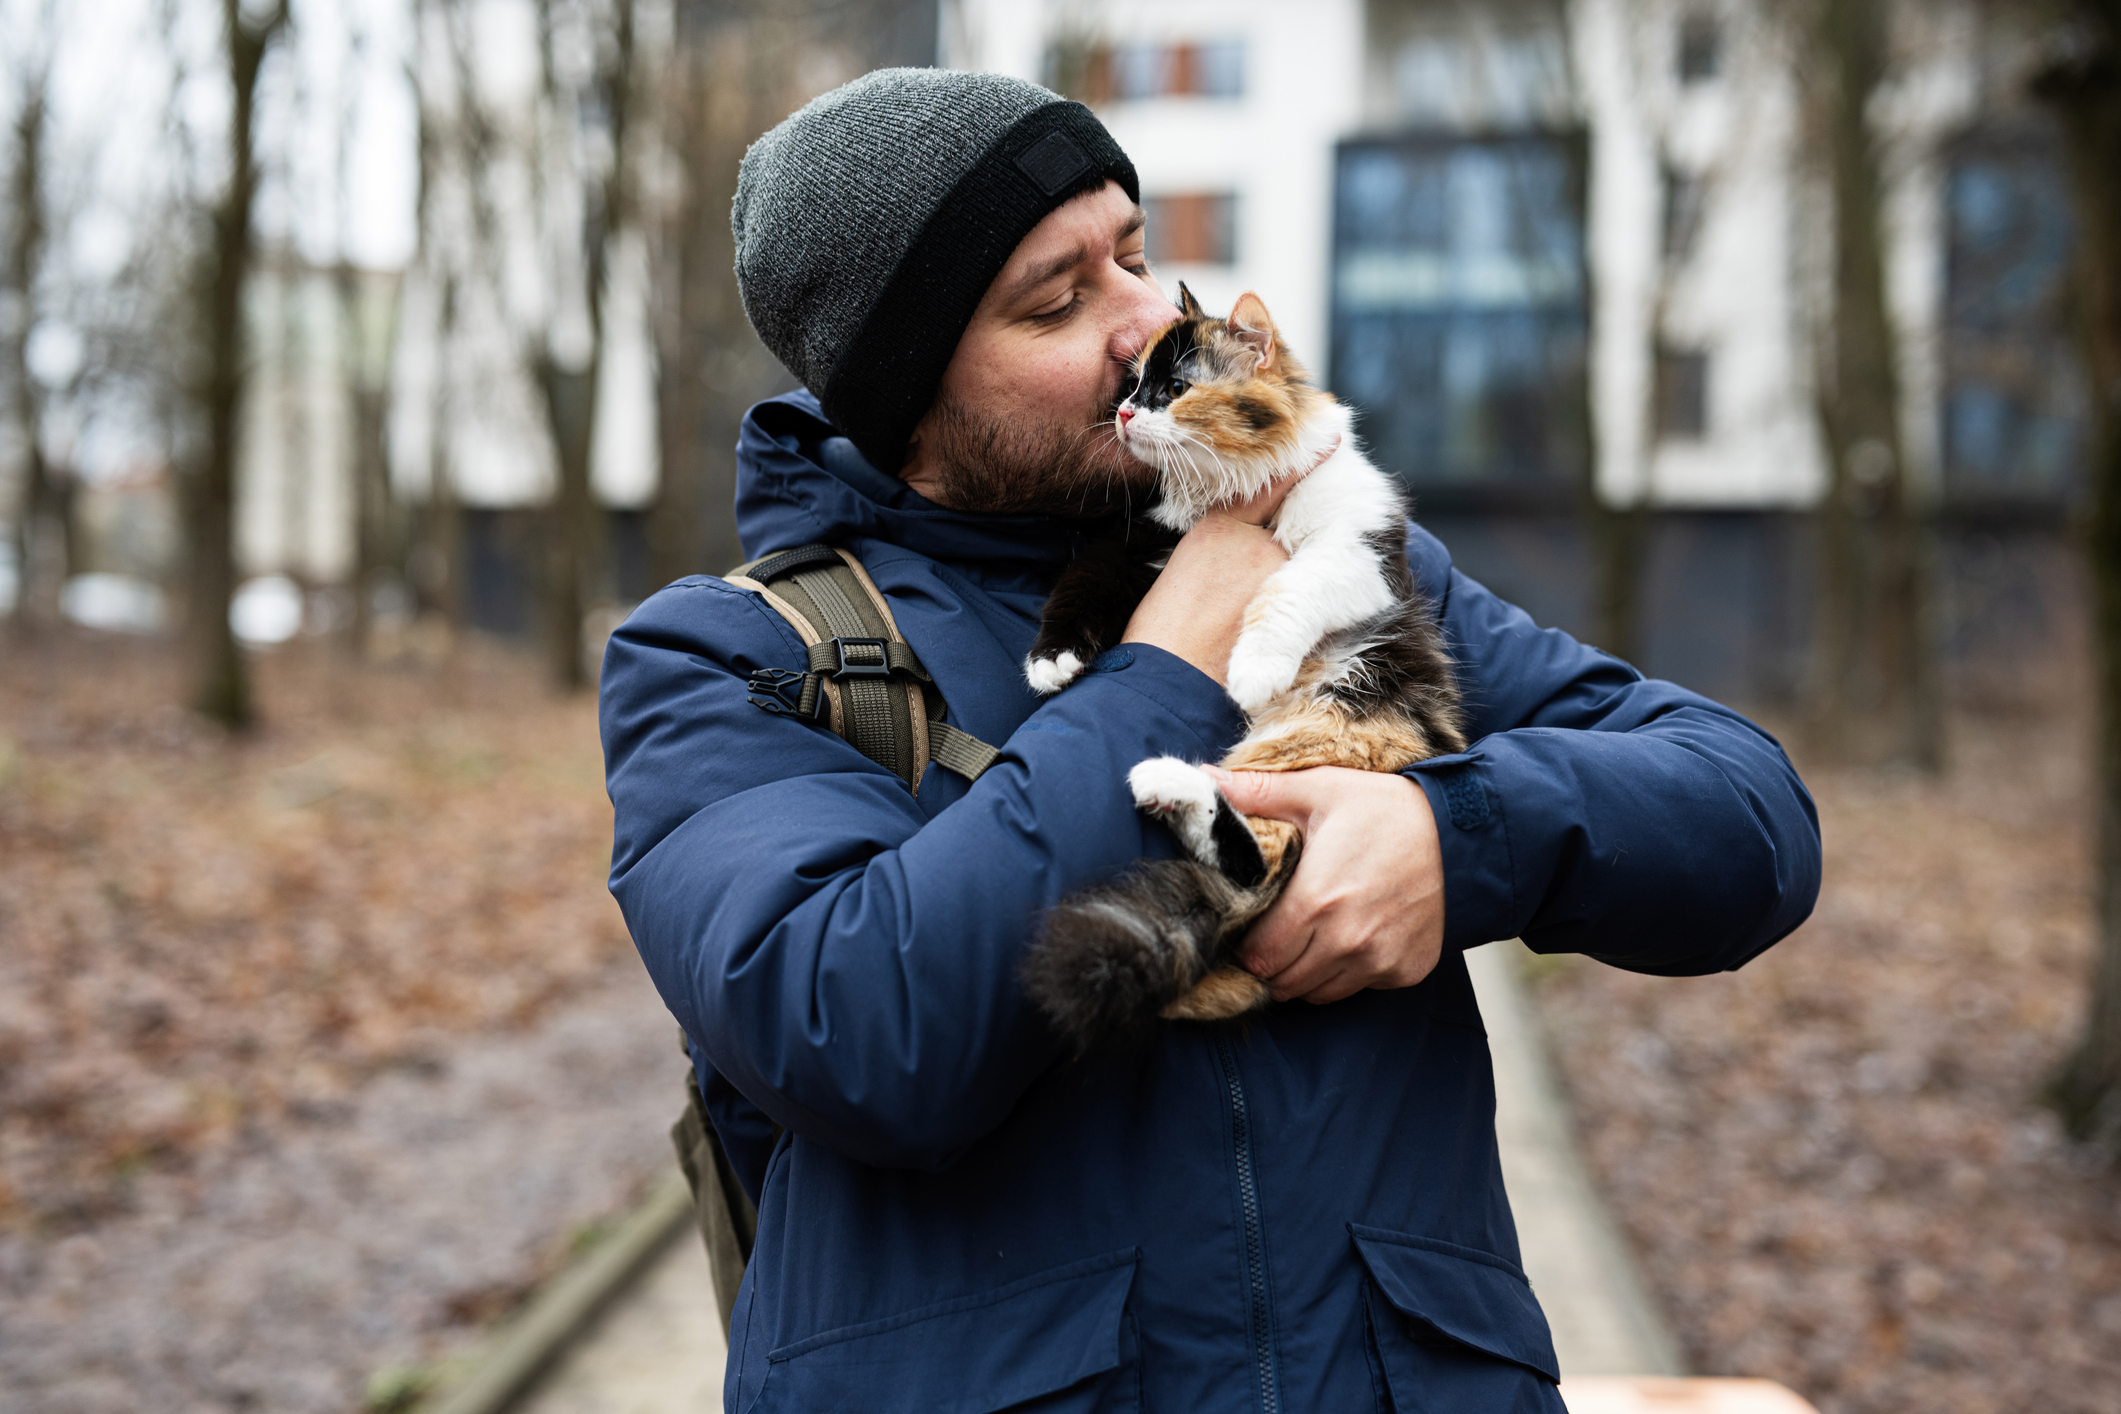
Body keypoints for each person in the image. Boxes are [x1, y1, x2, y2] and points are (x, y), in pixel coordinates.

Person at [600, 68, 1820, 1413]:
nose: (1144, 321)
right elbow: (857, 1033)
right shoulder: (734, 658)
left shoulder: (1334, 552)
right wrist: (1168, 663)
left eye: (1134, 253)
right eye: (1054, 302)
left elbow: (1748, 819)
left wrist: (1452, 833)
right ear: (906, 404)